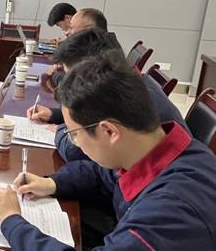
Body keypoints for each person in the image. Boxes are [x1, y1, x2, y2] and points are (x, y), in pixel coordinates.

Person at [0, 52, 216, 251]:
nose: (75, 143)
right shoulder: (157, 149)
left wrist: (10, 221)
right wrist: (53, 183)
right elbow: (105, 174)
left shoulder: (177, 208)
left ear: (109, 131)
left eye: (74, 134)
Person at [28, 28, 189, 163]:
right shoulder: (127, 82)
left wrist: (62, 130)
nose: (71, 82)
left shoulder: (122, 98)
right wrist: (54, 115)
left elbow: (75, 152)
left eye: (71, 76)